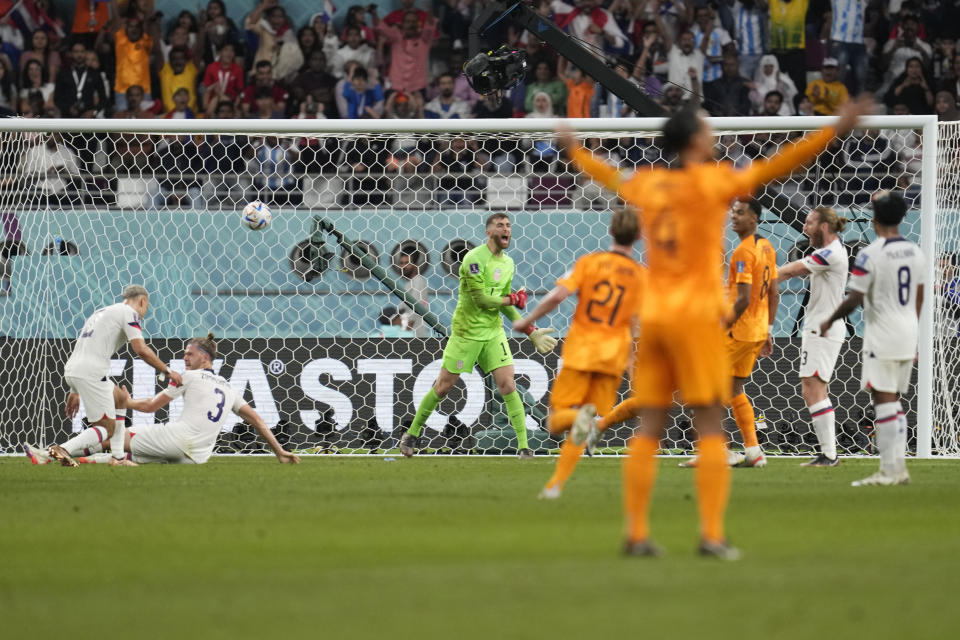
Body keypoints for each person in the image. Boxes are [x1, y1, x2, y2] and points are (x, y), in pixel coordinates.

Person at [557, 95, 872, 558]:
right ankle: (709, 535)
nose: (713, 133)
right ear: (695, 140)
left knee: (649, 427)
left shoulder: (648, 184)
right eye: (706, 128)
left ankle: (638, 534)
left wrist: (575, 150)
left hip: (658, 319)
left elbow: (606, 175)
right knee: (708, 426)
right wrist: (832, 131)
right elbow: (777, 166)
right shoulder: (714, 182)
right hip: (699, 319)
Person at [398, 213, 559, 459]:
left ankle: (524, 447)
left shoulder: (508, 263)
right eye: (500, 225)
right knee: (443, 387)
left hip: (493, 333)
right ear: (488, 232)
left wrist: (530, 331)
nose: (506, 229)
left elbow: (504, 303)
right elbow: (481, 299)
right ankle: (412, 433)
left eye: (508, 226)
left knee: (507, 384)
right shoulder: (473, 259)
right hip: (466, 334)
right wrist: (513, 298)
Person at [514, 208, 644, 499]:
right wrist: (632, 360)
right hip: (612, 358)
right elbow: (636, 321)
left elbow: (558, 295)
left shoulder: (589, 262)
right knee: (587, 420)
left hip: (581, 350)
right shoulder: (639, 276)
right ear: (638, 236)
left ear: (610, 231)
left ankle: (577, 424)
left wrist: (527, 319)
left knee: (555, 422)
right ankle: (555, 485)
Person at [31, 335, 299, 466]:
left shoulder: (189, 378)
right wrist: (279, 452)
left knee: (110, 430)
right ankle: (84, 460)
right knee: (128, 456)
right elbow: (258, 420)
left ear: (204, 358)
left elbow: (150, 407)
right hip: (197, 457)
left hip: (176, 439)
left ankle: (53, 452)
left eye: (189, 354)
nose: (185, 358)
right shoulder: (229, 388)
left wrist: (126, 402)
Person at [818, 191, 924, 486]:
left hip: (884, 332)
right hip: (907, 331)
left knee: (884, 398)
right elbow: (919, 296)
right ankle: (896, 467)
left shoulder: (871, 254)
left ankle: (892, 470)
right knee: (893, 400)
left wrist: (828, 319)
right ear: (903, 218)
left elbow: (855, 298)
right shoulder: (915, 252)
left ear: (875, 219)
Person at [27, 285, 182, 467]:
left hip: (74, 368)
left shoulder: (101, 311)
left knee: (120, 398)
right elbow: (141, 349)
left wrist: (74, 389)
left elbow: (84, 346)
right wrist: (167, 371)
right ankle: (55, 452)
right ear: (142, 301)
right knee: (106, 429)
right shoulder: (129, 313)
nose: (144, 313)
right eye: (146, 307)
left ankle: (117, 458)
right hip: (92, 372)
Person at [681, 198, 779, 468]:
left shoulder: (743, 253)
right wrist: (769, 328)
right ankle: (753, 450)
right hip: (757, 331)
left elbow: (743, 299)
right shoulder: (767, 247)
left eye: (741, 213)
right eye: (733, 212)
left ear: (755, 218)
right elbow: (773, 291)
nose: (734, 217)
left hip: (737, 331)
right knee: (734, 389)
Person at [776, 207, 850, 466]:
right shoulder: (830, 251)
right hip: (821, 326)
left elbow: (788, 272)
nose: (804, 228)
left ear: (824, 227)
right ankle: (828, 453)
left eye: (808, 223)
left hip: (824, 328)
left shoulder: (830, 254)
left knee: (813, 388)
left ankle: (829, 454)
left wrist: (755, 282)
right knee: (812, 388)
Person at [371, 6, 436, 95]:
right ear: (402, 24)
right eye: (408, 22)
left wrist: (430, 13)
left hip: (418, 88)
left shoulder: (424, 39)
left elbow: (430, 26)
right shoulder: (396, 37)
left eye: (414, 22)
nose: (411, 24)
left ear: (418, 24)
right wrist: (374, 14)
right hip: (396, 86)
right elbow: (381, 28)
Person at [397, 252, 429, 337]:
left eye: (407, 263)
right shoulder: (408, 283)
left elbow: (418, 304)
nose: (404, 266)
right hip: (407, 329)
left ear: (415, 265)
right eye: (402, 263)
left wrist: (409, 325)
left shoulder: (418, 280)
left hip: (414, 330)